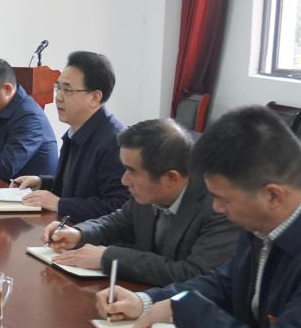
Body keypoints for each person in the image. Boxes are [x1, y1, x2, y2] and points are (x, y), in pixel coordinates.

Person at [98, 106, 301, 328]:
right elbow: (225, 282)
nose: (217, 208)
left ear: (273, 195)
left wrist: (186, 309)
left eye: (224, 199)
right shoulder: (262, 222)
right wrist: (148, 301)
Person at [44, 119, 239, 286]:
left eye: (132, 171)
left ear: (171, 178)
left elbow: (193, 274)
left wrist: (108, 257)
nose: (124, 180)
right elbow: (117, 223)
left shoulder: (219, 207)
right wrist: (79, 233)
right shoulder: (147, 192)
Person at [16, 51, 129, 221]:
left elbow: (118, 207)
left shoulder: (115, 142)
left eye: (67, 90)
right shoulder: (75, 131)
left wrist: (60, 204)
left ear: (94, 98)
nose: (58, 98)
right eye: (58, 88)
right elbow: (78, 188)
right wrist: (43, 182)